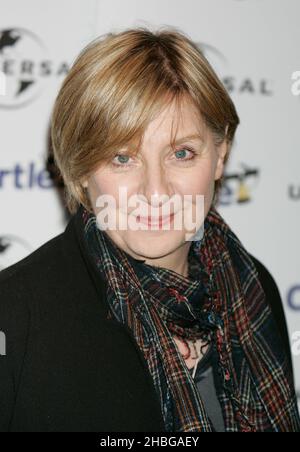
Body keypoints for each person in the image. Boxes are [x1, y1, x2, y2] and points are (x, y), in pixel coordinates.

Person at [0, 26, 299, 432]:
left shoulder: (253, 289)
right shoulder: (15, 312)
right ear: (83, 168)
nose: (155, 191)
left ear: (220, 156)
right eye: (123, 157)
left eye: (181, 153)